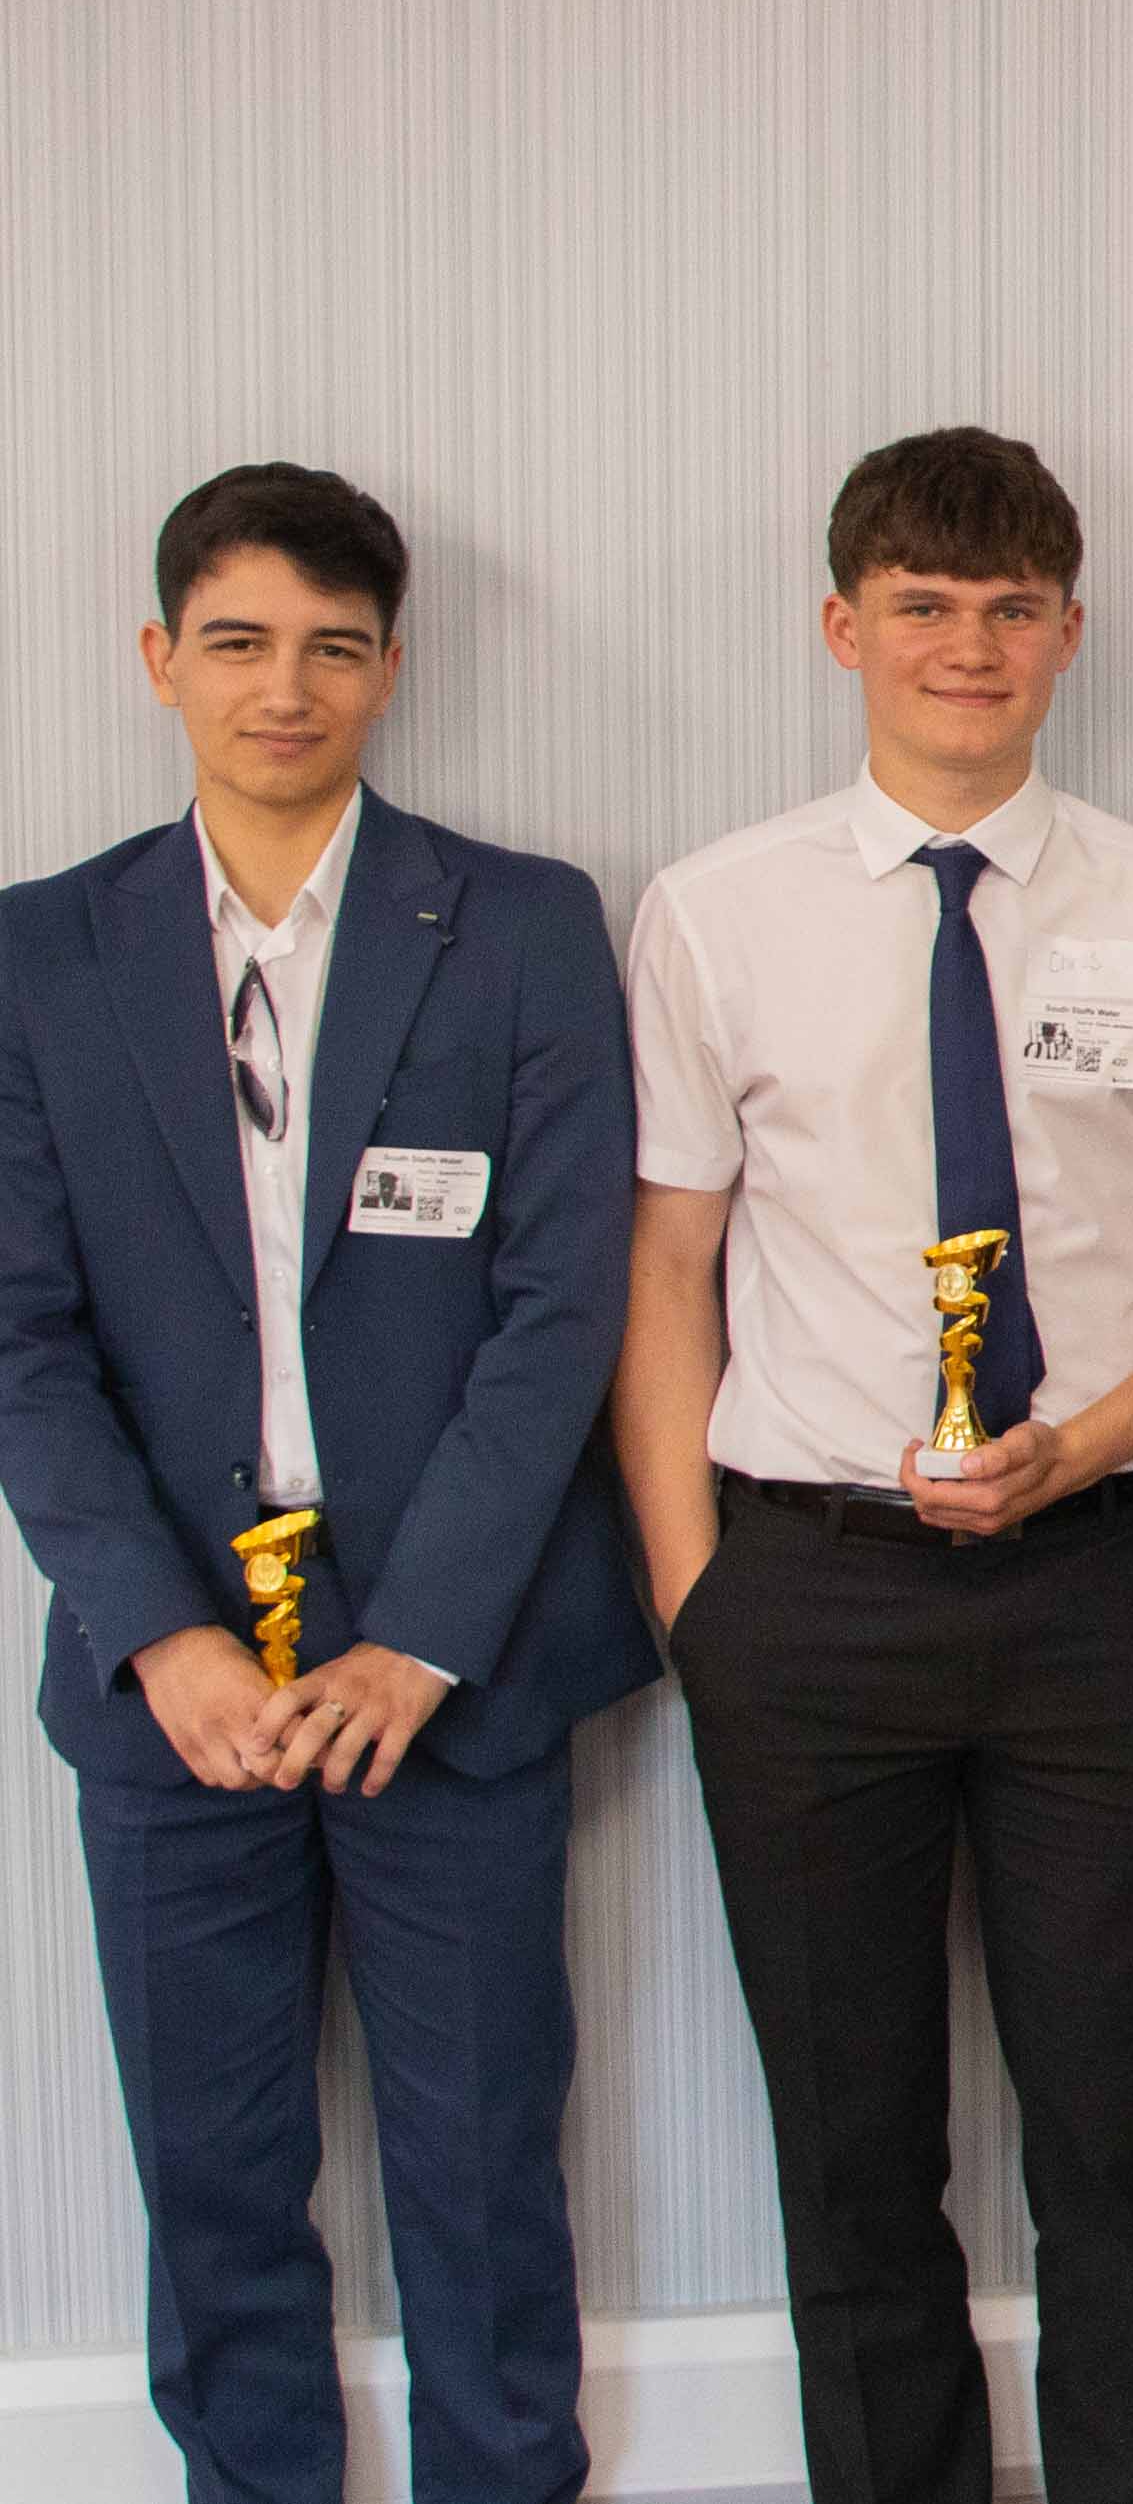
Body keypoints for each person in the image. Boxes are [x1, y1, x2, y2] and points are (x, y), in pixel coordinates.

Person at [614, 427, 1133, 2504]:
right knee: (850, 2157)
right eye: (922, 603)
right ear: (843, 627)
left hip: (1087, 1586)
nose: (969, 643)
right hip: (801, 1598)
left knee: (1120, 2146)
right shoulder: (714, 912)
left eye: (1013, 604)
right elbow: (665, 1272)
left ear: (1071, 632)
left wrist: (1080, 1445)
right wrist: (697, 1594)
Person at [0, 463, 656, 2503]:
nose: (285, 687)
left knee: (478, 2167)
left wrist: (424, 1639)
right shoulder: (39, 953)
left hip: (447, 1669)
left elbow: (561, 1315)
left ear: (390, 668)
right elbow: (17, 1337)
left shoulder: (525, 923)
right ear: (157, 661)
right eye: (238, 641)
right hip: (170, 1680)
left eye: (332, 647)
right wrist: (166, 1636)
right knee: (215, 2173)